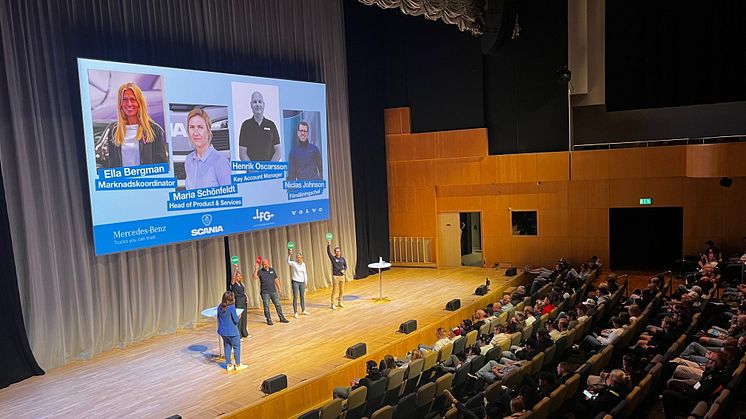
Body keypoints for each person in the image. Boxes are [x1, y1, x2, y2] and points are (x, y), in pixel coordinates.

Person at [99, 82, 167, 168]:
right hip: (123, 181)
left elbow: (162, 165)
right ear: (120, 103)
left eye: (133, 99)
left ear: (140, 103)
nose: (129, 104)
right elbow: (112, 166)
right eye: (124, 100)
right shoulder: (114, 131)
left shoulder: (154, 130)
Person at [184, 107, 231, 190]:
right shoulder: (188, 160)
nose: (195, 133)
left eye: (200, 127)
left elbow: (230, 198)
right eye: (191, 127)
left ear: (208, 131)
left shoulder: (220, 162)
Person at [238, 91, 281, 161]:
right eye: (255, 102)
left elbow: (278, 152)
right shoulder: (245, 125)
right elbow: (242, 153)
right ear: (251, 105)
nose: (257, 104)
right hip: (252, 171)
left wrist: (269, 169)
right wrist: (253, 171)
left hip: (269, 171)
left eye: (260, 102)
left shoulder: (271, 125)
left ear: (263, 104)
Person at [253, 258, 289, 325]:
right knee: (266, 306)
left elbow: (276, 279)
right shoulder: (260, 272)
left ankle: (282, 318)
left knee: (278, 305)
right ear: (262, 265)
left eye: (266, 264)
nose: (265, 265)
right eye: (263, 264)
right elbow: (254, 277)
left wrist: (279, 288)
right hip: (265, 292)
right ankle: (268, 319)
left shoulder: (272, 270)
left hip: (273, 291)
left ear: (268, 263)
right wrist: (256, 269)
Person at [216, 291, 247, 371]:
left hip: (223, 332)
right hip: (232, 332)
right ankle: (238, 365)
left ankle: (229, 365)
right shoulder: (231, 308)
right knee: (236, 347)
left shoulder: (219, 307)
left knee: (227, 346)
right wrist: (239, 316)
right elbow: (236, 320)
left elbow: (219, 318)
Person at [287, 248, 310, 318]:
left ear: (302, 258)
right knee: (295, 297)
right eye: (297, 257)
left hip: (302, 282)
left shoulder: (303, 264)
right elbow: (288, 262)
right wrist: (289, 255)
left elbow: (305, 273)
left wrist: (306, 282)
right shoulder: (294, 264)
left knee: (302, 296)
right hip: (295, 282)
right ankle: (295, 312)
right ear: (296, 258)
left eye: (300, 257)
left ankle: (303, 310)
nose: (299, 259)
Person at [327, 240, 347, 309]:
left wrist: (344, 270)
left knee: (342, 290)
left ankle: (340, 302)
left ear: (340, 252)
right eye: (336, 251)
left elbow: (345, 266)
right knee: (334, 290)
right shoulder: (333, 258)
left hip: (342, 277)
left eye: (338, 251)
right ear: (335, 252)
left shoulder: (342, 259)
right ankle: (332, 304)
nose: (337, 252)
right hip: (336, 276)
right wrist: (328, 245)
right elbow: (328, 253)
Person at [230, 267, 250, 339]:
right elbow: (232, 279)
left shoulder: (242, 284)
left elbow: (244, 292)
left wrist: (246, 297)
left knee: (244, 317)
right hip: (238, 301)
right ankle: (239, 335)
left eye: (239, 276)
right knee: (239, 317)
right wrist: (235, 269)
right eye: (237, 276)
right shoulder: (234, 284)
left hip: (243, 300)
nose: (239, 277)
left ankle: (244, 332)